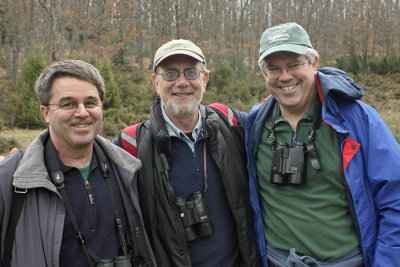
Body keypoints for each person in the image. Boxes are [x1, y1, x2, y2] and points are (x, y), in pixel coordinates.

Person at [245, 22, 400, 267]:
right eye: (273, 68)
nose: (285, 76)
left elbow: (396, 198)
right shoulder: (254, 125)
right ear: (264, 74)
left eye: (294, 64)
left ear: (314, 62)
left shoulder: (357, 120)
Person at [115, 39, 261, 267]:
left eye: (191, 73)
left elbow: (279, 111)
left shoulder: (230, 123)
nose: (182, 82)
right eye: (170, 74)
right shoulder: (130, 144)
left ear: (205, 79)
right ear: (156, 82)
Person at [0, 60, 156, 267]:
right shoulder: (12, 180)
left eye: (90, 103)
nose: (82, 112)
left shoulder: (128, 170)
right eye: (68, 104)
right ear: (45, 113)